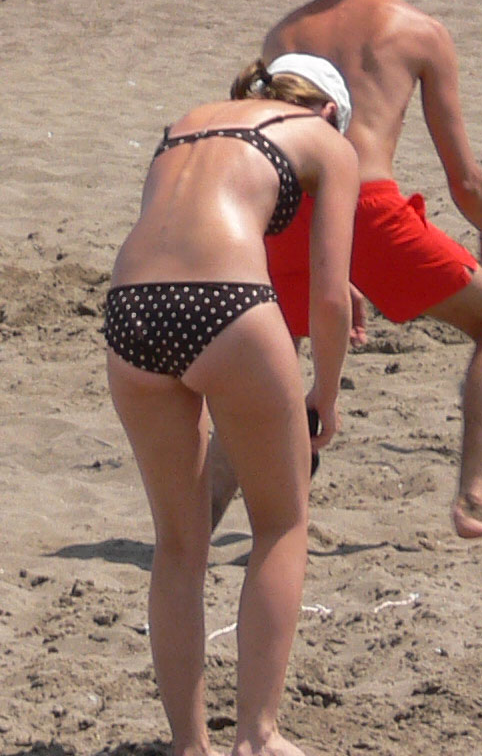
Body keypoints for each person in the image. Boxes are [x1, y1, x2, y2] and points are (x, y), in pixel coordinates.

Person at [240, 0, 482, 542]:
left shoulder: (285, 29)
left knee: (279, 360)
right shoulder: (420, 32)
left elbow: (267, 144)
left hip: (289, 210)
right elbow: (461, 174)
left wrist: (333, 270)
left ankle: (242, 518)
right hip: (370, 207)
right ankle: (476, 498)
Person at [107, 61, 357, 756]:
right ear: (332, 112)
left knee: (179, 545)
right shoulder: (330, 142)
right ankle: (258, 733)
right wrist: (324, 395)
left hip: (129, 313)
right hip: (227, 305)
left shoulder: (188, 121)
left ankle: (191, 747)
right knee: (281, 522)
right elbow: (332, 299)